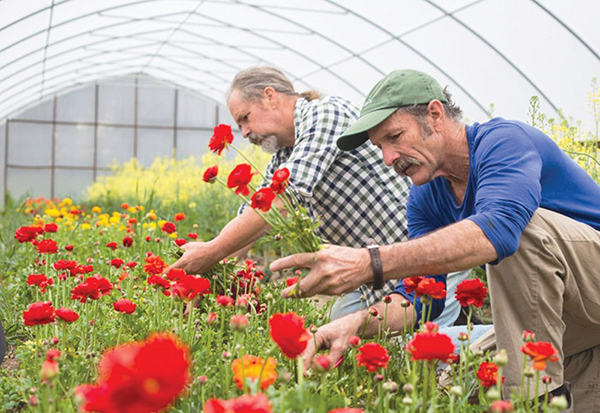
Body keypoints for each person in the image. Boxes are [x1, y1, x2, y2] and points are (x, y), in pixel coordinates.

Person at [270, 69, 600, 410]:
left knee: (523, 230)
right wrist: (352, 325)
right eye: (380, 147)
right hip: (573, 320)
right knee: (461, 378)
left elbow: (499, 230)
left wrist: (371, 262)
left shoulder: (503, 141)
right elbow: (423, 296)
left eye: (394, 136)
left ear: (435, 114)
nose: (388, 158)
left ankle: (538, 401)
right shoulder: (426, 195)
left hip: (593, 284)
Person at [169, 66, 470, 325]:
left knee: (429, 358)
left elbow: (283, 201)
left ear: (270, 96)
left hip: (424, 259)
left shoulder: (325, 113)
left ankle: (481, 335)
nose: (244, 133)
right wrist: (200, 275)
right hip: (374, 276)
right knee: (337, 343)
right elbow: (254, 217)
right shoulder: (283, 157)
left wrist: (212, 251)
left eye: (245, 118)